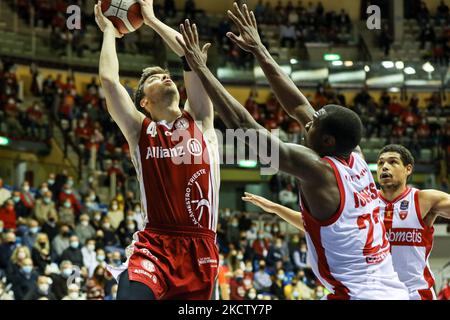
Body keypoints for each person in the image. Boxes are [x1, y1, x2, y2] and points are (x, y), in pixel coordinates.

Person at [177, 3, 408, 299]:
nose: (306, 122)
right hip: (387, 286)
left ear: (327, 141)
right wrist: (260, 49)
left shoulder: (319, 170)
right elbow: (298, 105)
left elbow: (243, 125)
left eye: (313, 124)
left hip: (362, 294)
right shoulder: (356, 157)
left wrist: (200, 68)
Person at [94, 0, 220, 300]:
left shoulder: (200, 118)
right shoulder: (140, 130)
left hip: (200, 249)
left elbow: (190, 57)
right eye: (153, 78)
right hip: (155, 244)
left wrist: (150, 19)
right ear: (144, 103)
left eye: (167, 75)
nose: (165, 77)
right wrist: (110, 31)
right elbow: (110, 81)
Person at [377, 144, 450, 300]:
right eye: (380, 163)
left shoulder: (424, 199)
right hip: (377, 292)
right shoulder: (366, 202)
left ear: (408, 169)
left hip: (416, 293)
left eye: (392, 162)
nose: (385, 167)